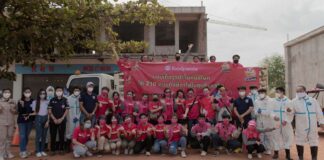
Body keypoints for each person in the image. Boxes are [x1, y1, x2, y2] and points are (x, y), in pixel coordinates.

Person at [288, 85, 324, 160]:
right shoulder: (294, 101)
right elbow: (290, 113)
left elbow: (319, 112)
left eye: (300, 91)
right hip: (301, 125)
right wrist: (289, 111)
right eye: (297, 91)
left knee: (314, 140)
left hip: (312, 125)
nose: (298, 93)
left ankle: (314, 157)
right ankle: (300, 157)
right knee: (299, 140)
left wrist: (321, 122)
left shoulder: (313, 100)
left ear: (305, 91)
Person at [271, 87, 293, 160]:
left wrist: (286, 120)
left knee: (287, 137)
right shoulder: (273, 101)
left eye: (278, 91)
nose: (277, 93)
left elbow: (291, 113)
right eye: (276, 92)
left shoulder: (289, 101)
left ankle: (288, 155)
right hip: (276, 122)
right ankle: (276, 153)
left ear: (283, 92)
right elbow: (271, 111)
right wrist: (274, 116)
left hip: (285, 123)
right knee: (275, 136)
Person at [48, 86, 69, 155]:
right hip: (53, 121)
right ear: (55, 92)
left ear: (62, 92)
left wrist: (62, 118)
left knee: (61, 135)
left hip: (62, 121)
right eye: (57, 91)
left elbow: (67, 110)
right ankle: (53, 150)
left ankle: (61, 149)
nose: (59, 92)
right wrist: (54, 119)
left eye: (60, 90)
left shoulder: (65, 100)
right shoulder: (52, 100)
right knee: (53, 135)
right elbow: (49, 110)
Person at [254, 88, 276, 155]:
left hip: (268, 120)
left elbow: (269, 111)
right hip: (260, 120)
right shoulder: (256, 101)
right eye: (260, 93)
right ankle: (262, 148)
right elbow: (255, 111)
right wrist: (258, 112)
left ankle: (269, 149)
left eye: (262, 92)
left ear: (265, 93)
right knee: (261, 135)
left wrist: (261, 111)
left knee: (269, 135)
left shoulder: (270, 100)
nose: (261, 94)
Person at [31, 89, 50, 157]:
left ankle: (42, 150)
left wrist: (48, 121)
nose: (42, 95)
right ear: (39, 94)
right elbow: (35, 112)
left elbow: (49, 113)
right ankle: (38, 150)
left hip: (45, 119)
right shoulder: (35, 102)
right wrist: (28, 115)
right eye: (41, 93)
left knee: (44, 136)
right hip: (38, 118)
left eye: (44, 93)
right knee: (38, 136)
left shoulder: (48, 102)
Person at [17, 87, 34, 158]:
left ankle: (24, 149)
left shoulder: (33, 101)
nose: (27, 93)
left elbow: (34, 111)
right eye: (26, 92)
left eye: (29, 92)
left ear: (31, 93)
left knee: (26, 136)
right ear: (23, 93)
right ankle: (22, 151)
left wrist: (29, 116)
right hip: (21, 121)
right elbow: (20, 111)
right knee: (22, 136)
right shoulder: (20, 101)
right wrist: (23, 105)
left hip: (29, 121)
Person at [0, 88, 16, 160]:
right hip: (2, 122)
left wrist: (12, 109)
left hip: (11, 122)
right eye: (5, 92)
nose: (7, 94)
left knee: (9, 138)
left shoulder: (13, 101)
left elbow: (15, 112)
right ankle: (1, 154)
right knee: (2, 139)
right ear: (2, 93)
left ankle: (8, 152)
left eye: (8, 92)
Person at [66, 86, 81, 153]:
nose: (77, 91)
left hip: (77, 118)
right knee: (70, 132)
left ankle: (76, 146)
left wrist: (77, 117)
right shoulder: (68, 98)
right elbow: (67, 109)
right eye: (75, 90)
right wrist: (70, 117)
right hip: (70, 118)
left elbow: (81, 109)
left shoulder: (80, 98)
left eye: (78, 90)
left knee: (77, 132)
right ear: (73, 91)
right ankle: (68, 147)